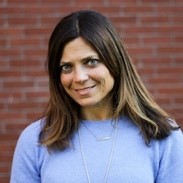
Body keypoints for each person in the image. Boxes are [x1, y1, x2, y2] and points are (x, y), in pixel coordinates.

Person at [10, 10, 183, 183]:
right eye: (66, 67)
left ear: (114, 61)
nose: (79, 77)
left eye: (91, 62)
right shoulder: (35, 140)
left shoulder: (162, 134)